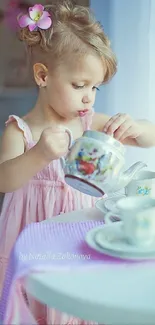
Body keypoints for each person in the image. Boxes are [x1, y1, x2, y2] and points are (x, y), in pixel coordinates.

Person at [0, 1, 155, 324]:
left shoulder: (89, 124)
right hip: (32, 236)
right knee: (38, 302)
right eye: (79, 85)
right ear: (43, 75)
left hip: (77, 235)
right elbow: (5, 180)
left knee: (77, 302)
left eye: (95, 87)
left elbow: (150, 137)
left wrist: (137, 128)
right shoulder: (20, 130)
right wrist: (39, 154)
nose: (89, 97)